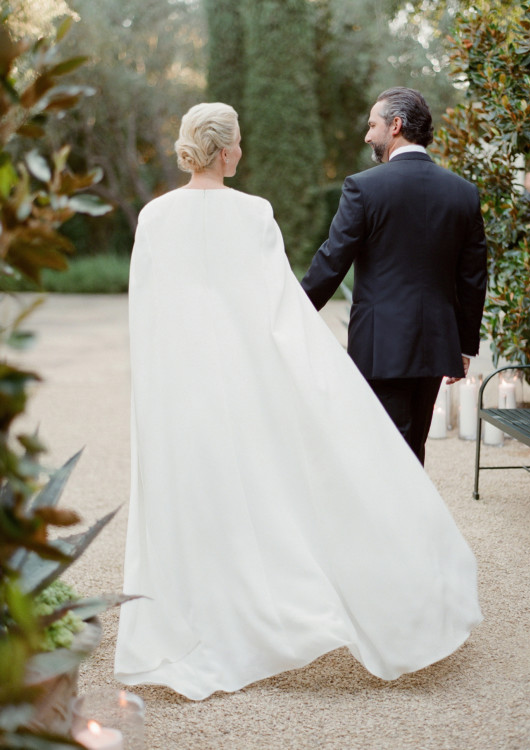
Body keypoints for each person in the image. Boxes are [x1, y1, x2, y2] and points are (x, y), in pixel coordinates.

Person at [114, 102, 482, 702]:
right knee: (260, 487)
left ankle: (199, 611)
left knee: (192, 494)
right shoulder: (255, 212)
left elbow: (146, 312)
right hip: (244, 379)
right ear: (229, 150)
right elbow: (281, 306)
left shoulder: (154, 218)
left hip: (180, 383)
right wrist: (312, 369)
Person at [302, 87, 488, 465]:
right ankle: (414, 521)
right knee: (412, 445)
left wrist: (293, 309)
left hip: (379, 343)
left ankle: (396, 523)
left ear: (396, 126)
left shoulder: (363, 188)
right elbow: (473, 277)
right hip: (436, 342)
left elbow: (332, 260)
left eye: (373, 125)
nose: (368, 135)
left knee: (382, 452)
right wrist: (464, 345)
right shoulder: (463, 193)